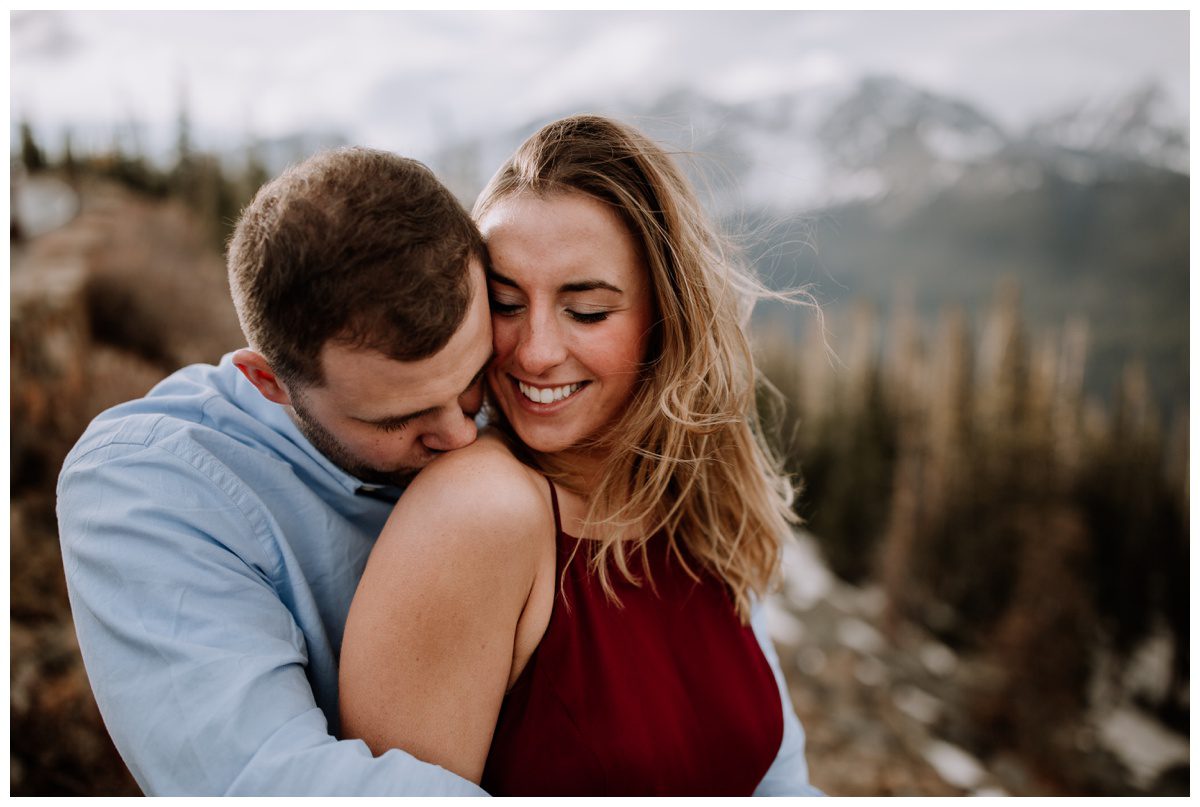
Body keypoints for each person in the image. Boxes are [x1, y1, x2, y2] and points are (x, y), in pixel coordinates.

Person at [339, 115, 821, 795]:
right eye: (505, 303)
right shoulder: (480, 510)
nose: (536, 352)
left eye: (587, 311)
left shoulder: (693, 506)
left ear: (666, 318)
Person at [55, 147, 494, 795]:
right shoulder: (143, 489)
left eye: (474, 380)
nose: (461, 435)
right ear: (269, 382)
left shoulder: (522, 382)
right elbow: (263, 781)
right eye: (397, 419)